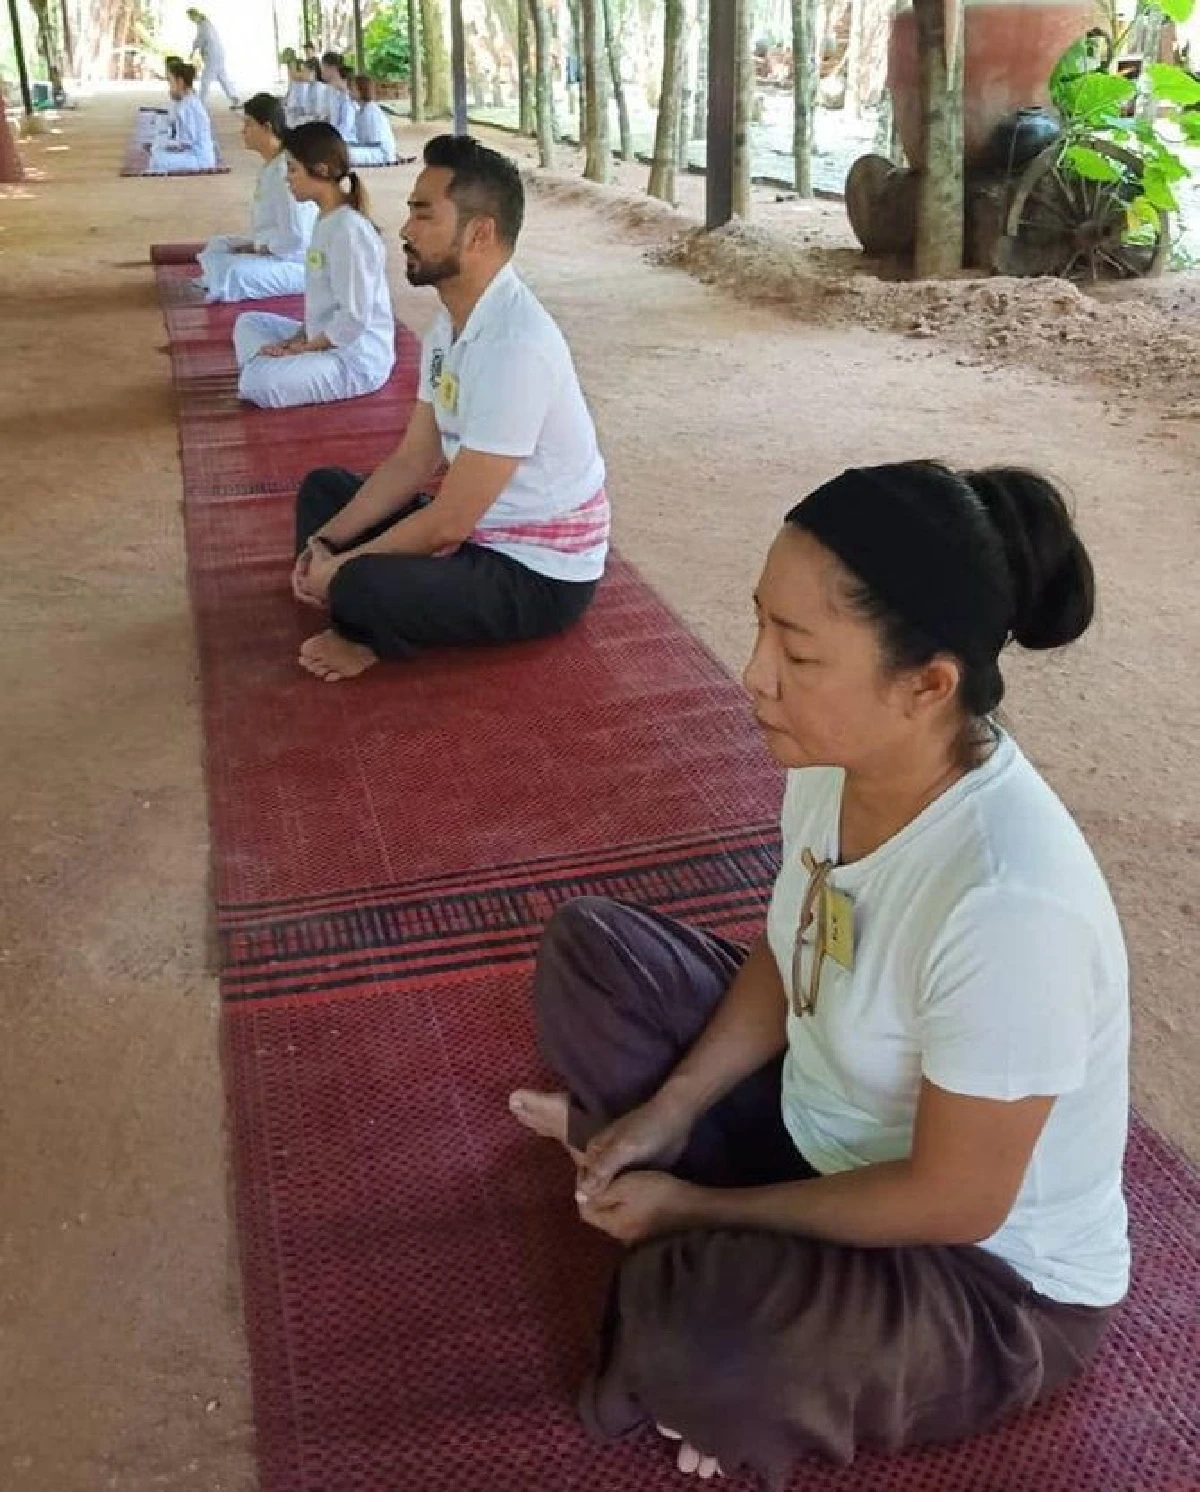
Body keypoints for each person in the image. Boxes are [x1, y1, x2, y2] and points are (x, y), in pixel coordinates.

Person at [510, 461, 1129, 1487]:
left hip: (979, 1277)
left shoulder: (1011, 904)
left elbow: (955, 1200)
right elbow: (791, 945)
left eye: (796, 651)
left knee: (698, 1329)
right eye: (760, 626)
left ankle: (713, 1255)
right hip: (825, 1124)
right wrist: (671, 1107)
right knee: (593, 955)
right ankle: (702, 1206)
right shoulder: (836, 762)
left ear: (927, 684)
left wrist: (698, 1211)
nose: (754, 673)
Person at [289, 134, 609, 683]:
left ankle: (365, 626)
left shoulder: (517, 346)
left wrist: (343, 568)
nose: (406, 231)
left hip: (535, 573)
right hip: (477, 533)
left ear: (479, 233)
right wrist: (328, 542)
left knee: (360, 584)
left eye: (423, 215)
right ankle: (349, 594)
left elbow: (449, 521)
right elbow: (414, 459)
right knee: (325, 493)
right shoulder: (449, 325)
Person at [232, 122, 394, 410]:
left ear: (319, 170)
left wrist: (303, 349)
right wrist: (294, 340)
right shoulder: (326, 219)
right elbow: (324, 306)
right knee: (249, 323)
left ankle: (270, 366)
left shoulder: (349, 230)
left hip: (355, 360)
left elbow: (353, 319)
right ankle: (275, 363)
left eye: (293, 169)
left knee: (256, 382)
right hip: (323, 339)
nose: (287, 179)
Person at [197, 93, 319, 302]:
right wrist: (254, 246)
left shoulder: (285, 170)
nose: (243, 131)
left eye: (249, 124)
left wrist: (259, 248)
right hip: (273, 248)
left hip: (299, 263)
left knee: (231, 274)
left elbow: (297, 238)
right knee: (218, 246)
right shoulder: (273, 165)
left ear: (268, 128)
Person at [148, 60, 216, 173]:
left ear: (180, 82)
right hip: (195, 154)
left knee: (157, 158)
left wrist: (169, 146)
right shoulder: (188, 101)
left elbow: (187, 142)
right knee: (158, 148)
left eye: (170, 82)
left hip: (199, 158)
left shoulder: (188, 106)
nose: (169, 88)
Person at [186, 7, 239, 108]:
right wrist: (195, 49)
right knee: (223, 77)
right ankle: (233, 96)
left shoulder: (203, 25)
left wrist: (194, 50)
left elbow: (201, 39)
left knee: (205, 79)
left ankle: (201, 102)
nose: (191, 20)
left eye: (190, 17)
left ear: (194, 15)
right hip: (219, 53)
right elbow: (200, 39)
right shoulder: (206, 24)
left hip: (212, 55)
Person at [349, 75, 401, 166]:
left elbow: (374, 142)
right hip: (371, 149)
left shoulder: (371, 112)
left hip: (380, 153)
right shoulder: (360, 111)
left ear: (361, 90)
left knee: (346, 153)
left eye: (352, 88)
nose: (349, 91)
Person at [326, 60, 359, 142]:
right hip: (336, 138)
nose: (331, 79)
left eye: (335, 77)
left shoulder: (349, 101)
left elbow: (345, 127)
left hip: (347, 142)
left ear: (344, 80)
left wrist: (330, 138)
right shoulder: (339, 97)